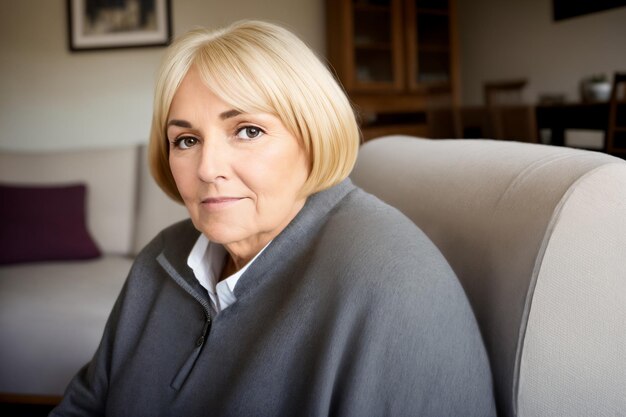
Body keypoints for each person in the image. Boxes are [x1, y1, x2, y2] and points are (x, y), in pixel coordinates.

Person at [50, 20, 495, 417]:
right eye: (185, 140)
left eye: (248, 130)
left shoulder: (393, 286)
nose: (207, 169)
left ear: (313, 134)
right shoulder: (162, 256)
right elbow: (87, 404)